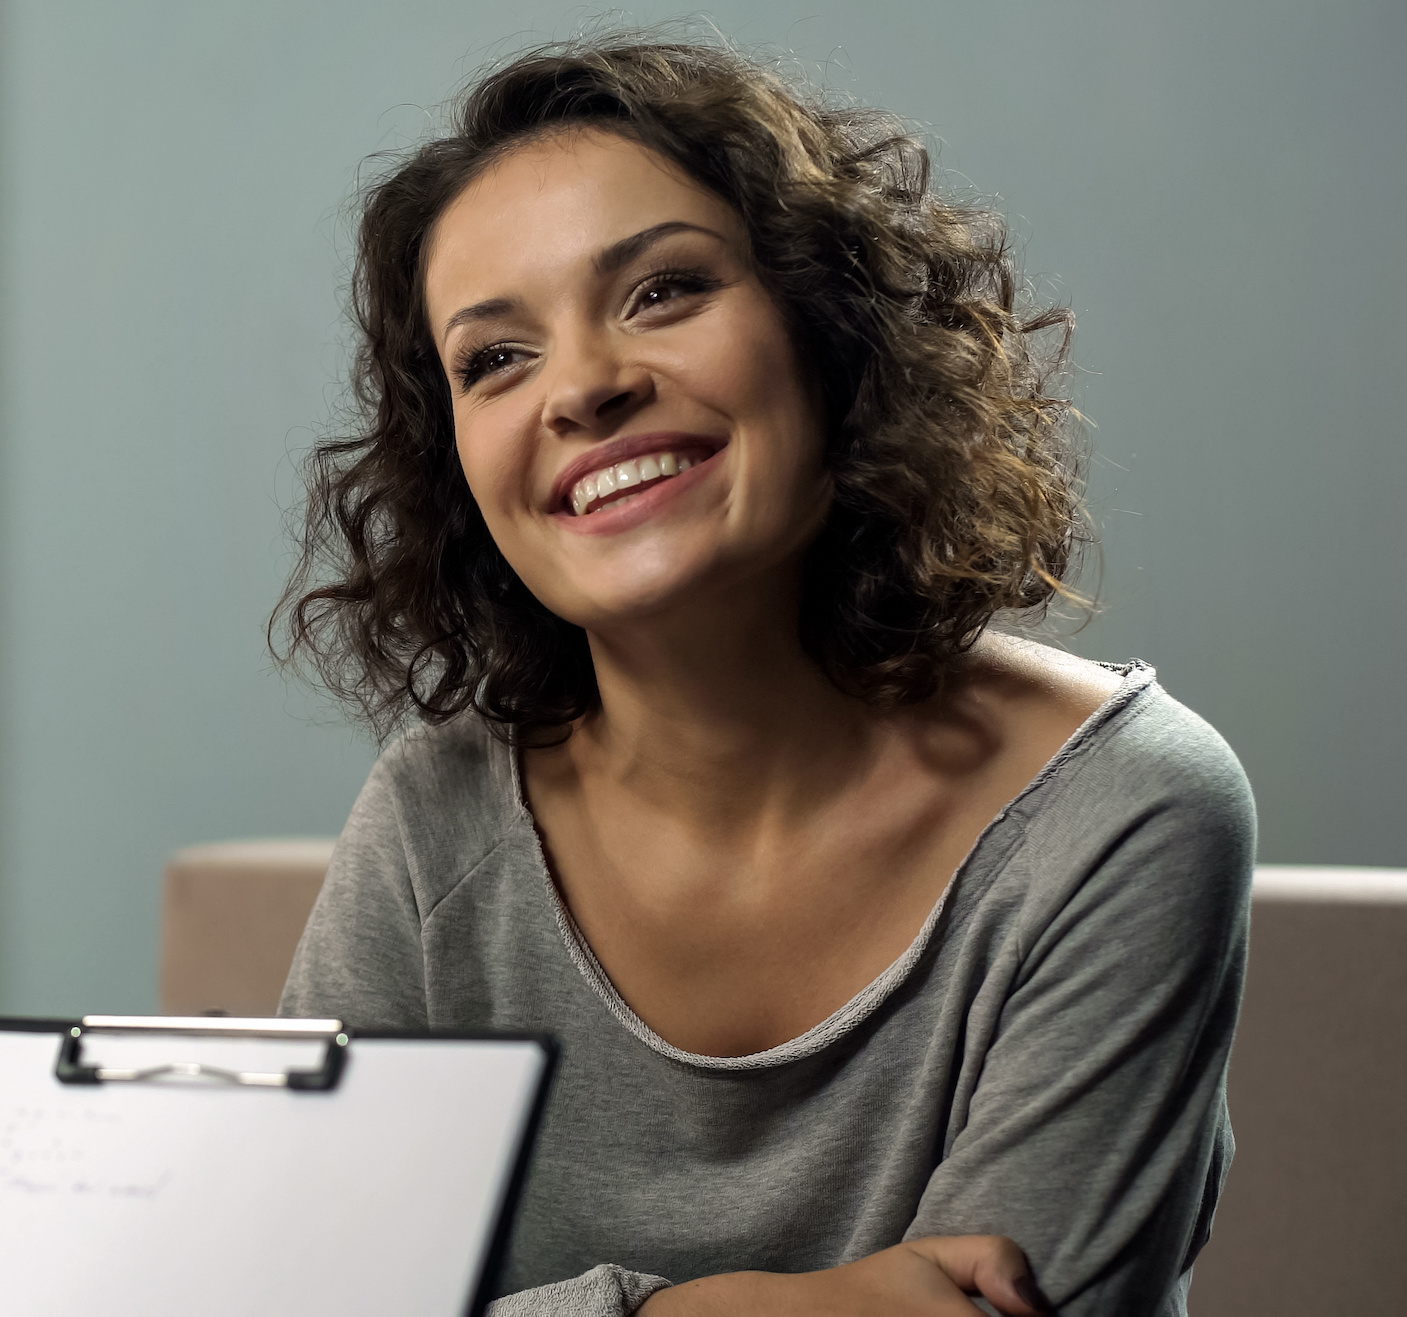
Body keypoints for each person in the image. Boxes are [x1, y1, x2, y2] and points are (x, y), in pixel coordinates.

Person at [276, 36, 1255, 1317]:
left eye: (664, 291)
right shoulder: (436, 820)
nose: (585, 386)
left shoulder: (1124, 810)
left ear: (828, 331)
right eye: (496, 359)